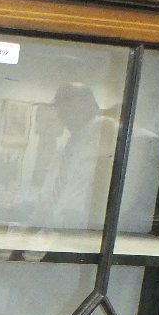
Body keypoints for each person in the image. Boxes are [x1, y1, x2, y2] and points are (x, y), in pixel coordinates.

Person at [40, 82, 119, 230]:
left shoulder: (108, 132)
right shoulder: (66, 144)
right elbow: (48, 192)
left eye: (68, 103)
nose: (62, 112)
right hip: (55, 230)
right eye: (59, 106)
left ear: (90, 105)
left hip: (84, 229)